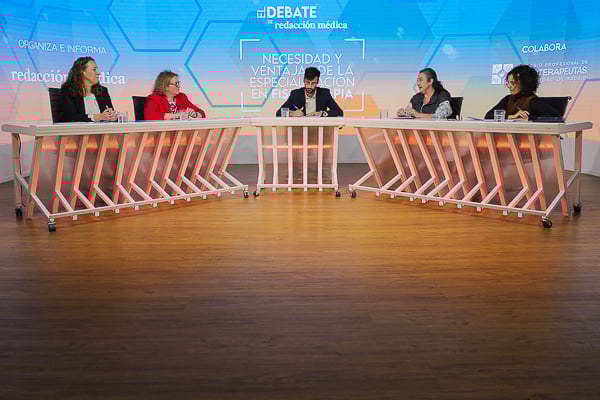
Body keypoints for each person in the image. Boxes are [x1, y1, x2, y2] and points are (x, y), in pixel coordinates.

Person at [484, 65, 560, 120]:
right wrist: (510, 117)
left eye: (513, 82)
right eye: (508, 82)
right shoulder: (508, 99)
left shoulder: (532, 101)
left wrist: (529, 118)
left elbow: (555, 117)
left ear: (524, 83)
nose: (509, 86)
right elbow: (488, 116)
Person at [60, 57, 117, 122]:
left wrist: (113, 117)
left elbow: (110, 113)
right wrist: (97, 117)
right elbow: (70, 117)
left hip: (102, 128)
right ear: (82, 72)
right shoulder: (68, 90)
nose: (98, 73)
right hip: (80, 128)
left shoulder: (103, 91)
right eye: (94, 69)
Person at [276, 67, 343, 117]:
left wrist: (321, 113)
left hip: (320, 129)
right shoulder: (295, 94)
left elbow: (339, 112)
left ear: (317, 82)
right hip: (300, 130)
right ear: (304, 80)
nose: (310, 86)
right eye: (307, 82)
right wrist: (292, 113)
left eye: (313, 83)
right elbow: (278, 113)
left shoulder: (324, 93)